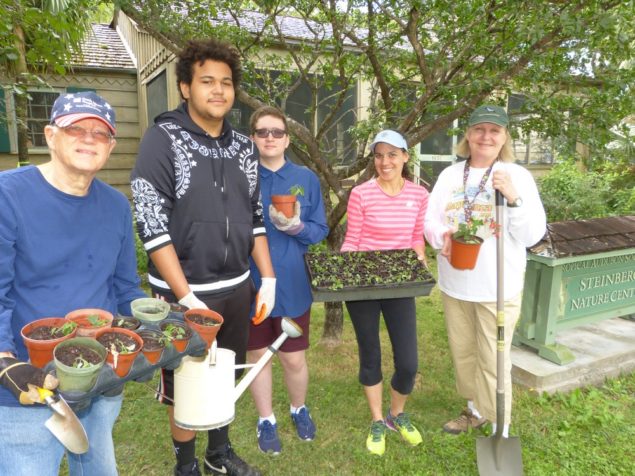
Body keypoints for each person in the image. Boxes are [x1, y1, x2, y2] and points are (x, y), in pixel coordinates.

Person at [130, 39, 275, 476]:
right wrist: (185, 296)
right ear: (185, 87)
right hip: (183, 294)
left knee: (223, 375)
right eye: (207, 81)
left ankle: (219, 453)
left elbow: (255, 218)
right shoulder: (162, 139)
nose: (218, 91)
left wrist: (267, 277)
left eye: (226, 83)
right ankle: (186, 464)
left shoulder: (244, 148)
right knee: (185, 386)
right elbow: (151, 222)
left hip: (235, 288)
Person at [0, 91, 146, 475]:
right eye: (75, 128)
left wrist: (154, 321)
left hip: (98, 375)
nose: (88, 139)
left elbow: (125, 287)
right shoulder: (8, 195)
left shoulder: (116, 206)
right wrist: (3, 360)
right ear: (50, 135)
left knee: (99, 467)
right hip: (28, 385)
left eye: (101, 134)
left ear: (111, 146)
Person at [424, 105, 546, 437]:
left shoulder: (516, 176)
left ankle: (500, 425)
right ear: (468, 134)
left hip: (497, 286)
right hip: (456, 284)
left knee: (494, 359)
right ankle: (476, 409)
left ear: (505, 136)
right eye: (479, 129)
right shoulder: (451, 175)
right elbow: (431, 221)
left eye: (494, 130)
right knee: (464, 353)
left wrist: (513, 198)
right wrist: (441, 237)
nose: (486, 137)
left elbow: (533, 235)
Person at [246, 106, 328, 455]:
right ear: (253, 138)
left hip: (293, 282)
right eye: (262, 132)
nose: (269, 138)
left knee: (293, 357)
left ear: (287, 139)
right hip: (250, 283)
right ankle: (266, 419)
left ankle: (299, 408)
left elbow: (320, 230)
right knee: (258, 355)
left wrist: (296, 227)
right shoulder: (242, 177)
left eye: (276, 132)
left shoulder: (305, 178)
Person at [341, 130, 429, 456]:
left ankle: (397, 413)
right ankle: (378, 419)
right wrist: (345, 264)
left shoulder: (419, 195)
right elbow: (354, 237)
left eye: (392, 154)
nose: (385, 162)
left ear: (406, 157)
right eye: (379, 155)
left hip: (400, 284)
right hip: (363, 284)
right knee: (370, 355)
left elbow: (416, 237)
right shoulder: (361, 193)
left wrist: (419, 255)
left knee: (408, 361)